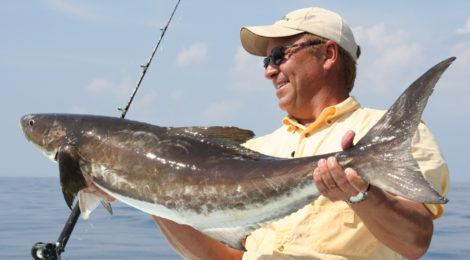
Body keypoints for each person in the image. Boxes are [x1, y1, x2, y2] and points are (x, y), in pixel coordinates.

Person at [89, 6, 449, 260]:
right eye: (266, 61)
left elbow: (415, 243)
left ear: (327, 54)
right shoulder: (255, 151)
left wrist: (362, 195)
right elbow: (225, 258)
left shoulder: (385, 133)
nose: (269, 71)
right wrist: (148, 194)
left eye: (279, 55)